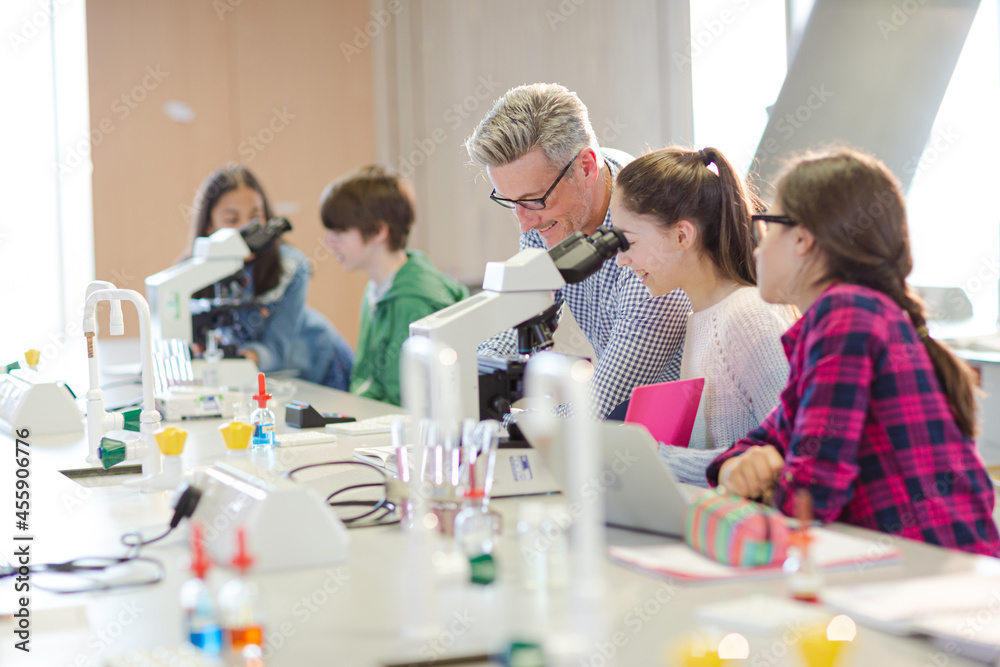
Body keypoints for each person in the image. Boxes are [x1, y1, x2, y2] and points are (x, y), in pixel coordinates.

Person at [706, 149, 999, 556]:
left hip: (928, 586)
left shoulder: (847, 315)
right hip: (907, 575)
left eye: (765, 226)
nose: (757, 247)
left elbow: (809, 498)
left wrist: (763, 477)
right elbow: (766, 439)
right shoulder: (848, 317)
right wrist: (736, 465)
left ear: (803, 239)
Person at [468, 83, 691, 419]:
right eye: (511, 202)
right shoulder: (550, 209)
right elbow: (521, 317)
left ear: (586, 167)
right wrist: (473, 385)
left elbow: (603, 398)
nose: (525, 223)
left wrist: (515, 422)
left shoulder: (650, 232)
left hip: (678, 434)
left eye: (532, 200)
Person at [612, 147, 798, 485]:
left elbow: (790, 450)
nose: (621, 260)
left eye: (629, 242)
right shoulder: (702, 318)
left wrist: (655, 458)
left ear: (682, 235)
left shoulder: (751, 316)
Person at [188, 165, 353, 389]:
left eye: (256, 218)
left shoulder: (291, 267)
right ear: (209, 225)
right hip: (264, 381)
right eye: (232, 219)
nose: (246, 229)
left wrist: (241, 359)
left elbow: (277, 348)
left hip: (318, 368)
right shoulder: (192, 271)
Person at [319, 165, 469, 406]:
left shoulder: (415, 300)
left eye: (340, 231)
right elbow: (368, 382)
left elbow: (405, 401)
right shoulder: (378, 288)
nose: (329, 242)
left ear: (379, 231)